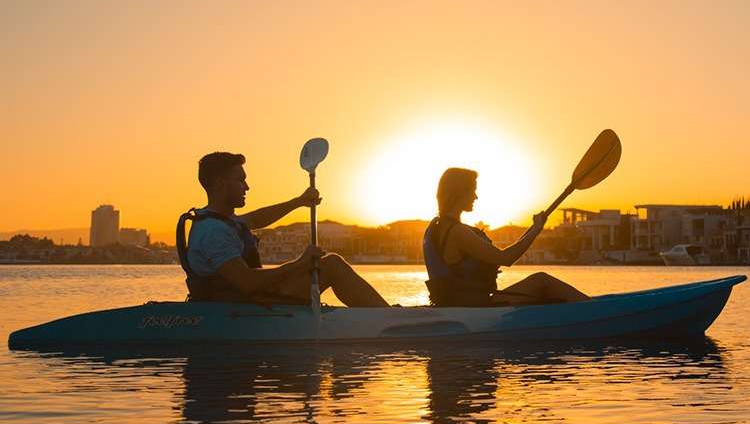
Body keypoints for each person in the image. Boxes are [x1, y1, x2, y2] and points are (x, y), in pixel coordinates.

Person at [176, 151, 388, 307]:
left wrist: (299, 202)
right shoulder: (214, 231)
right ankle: (388, 317)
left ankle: (384, 313)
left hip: (256, 296)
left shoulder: (224, 221)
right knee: (332, 265)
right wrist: (300, 264)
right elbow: (248, 283)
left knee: (330, 263)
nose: (247, 187)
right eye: (241, 180)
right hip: (250, 301)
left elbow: (258, 218)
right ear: (220, 184)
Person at [423, 167, 590, 307]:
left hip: (459, 305)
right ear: (460, 192)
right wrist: (536, 229)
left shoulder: (437, 228)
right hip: (476, 309)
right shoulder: (458, 232)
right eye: (473, 190)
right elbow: (506, 258)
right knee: (541, 281)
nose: (476, 196)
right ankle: (593, 310)